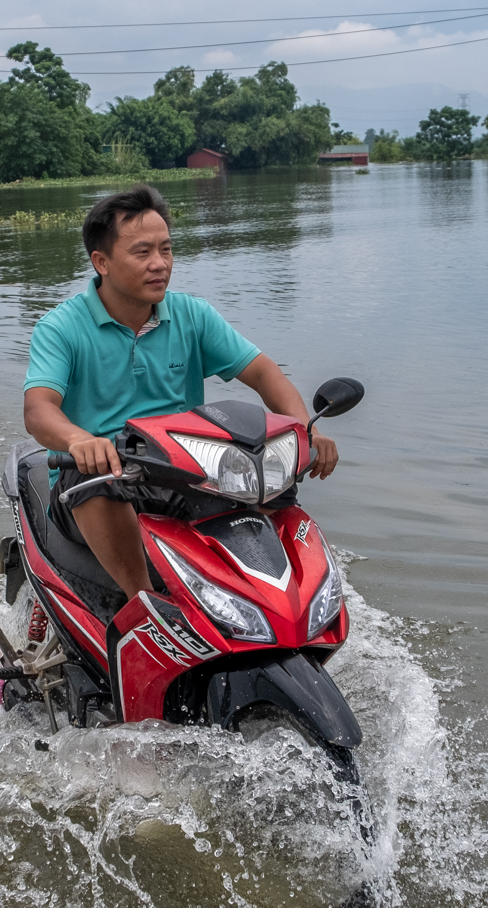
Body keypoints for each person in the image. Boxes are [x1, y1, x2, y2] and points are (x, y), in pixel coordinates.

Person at [22, 183, 338, 602]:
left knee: (272, 488)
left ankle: (284, 601)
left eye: (166, 249)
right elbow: (39, 409)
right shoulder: (61, 328)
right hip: (99, 473)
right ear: (102, 262)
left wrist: (302, 431)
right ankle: (147, 605)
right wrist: (80, 440)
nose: (160, 264)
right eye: (142, 253)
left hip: (185, 468)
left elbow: (264, 375)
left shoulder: (192, 315)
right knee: (99, 480)